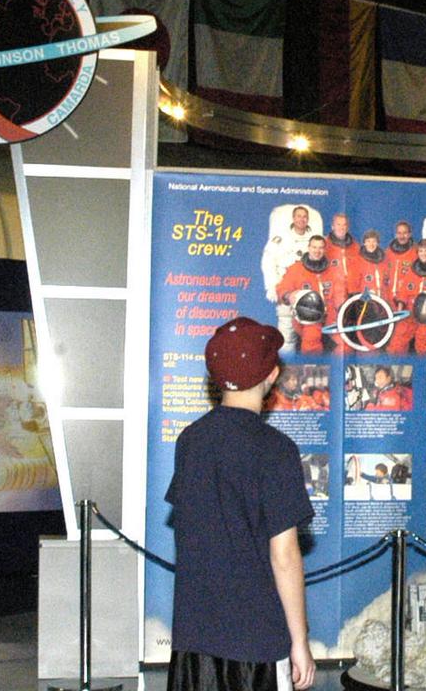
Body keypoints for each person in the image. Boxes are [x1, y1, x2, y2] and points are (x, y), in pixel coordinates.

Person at [165, 317, 315, 691]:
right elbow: (285, 556)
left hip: (194, 640)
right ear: (271, 375)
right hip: (256, 643)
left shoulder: (190, 441)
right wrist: (300, 641)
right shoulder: (276, 450)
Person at [261, 205, 321, 349]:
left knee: (311, 336)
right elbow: (268, 262)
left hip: (309, 294)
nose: (302, 219)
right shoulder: (280, 239)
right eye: (298, 216)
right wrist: (272, 287)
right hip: (287, 291)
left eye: (304, 217)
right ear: (293, 218)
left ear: (308, 220)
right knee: (287, 337)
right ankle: (286, 368)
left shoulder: (314, 240)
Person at [276, 235, 343, 354]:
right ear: (309, 248)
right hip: (307, 321)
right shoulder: (296, 269)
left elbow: (340, 293)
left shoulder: (332, 271)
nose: (317, 251)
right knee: (311, 340)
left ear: (325, 249)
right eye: (314, 247)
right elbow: (282, 289)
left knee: (343, 345)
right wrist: (289, 296)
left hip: (331, 320)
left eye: (321, 248)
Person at [385, 221, 419, 353]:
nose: (402, 236)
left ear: (410, 234)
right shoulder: (388, 252)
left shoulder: (416, 252)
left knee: (398, 343)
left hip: (406, 304)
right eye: (399, 233)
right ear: (395, 234)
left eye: (405, 233)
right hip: (388, 301)